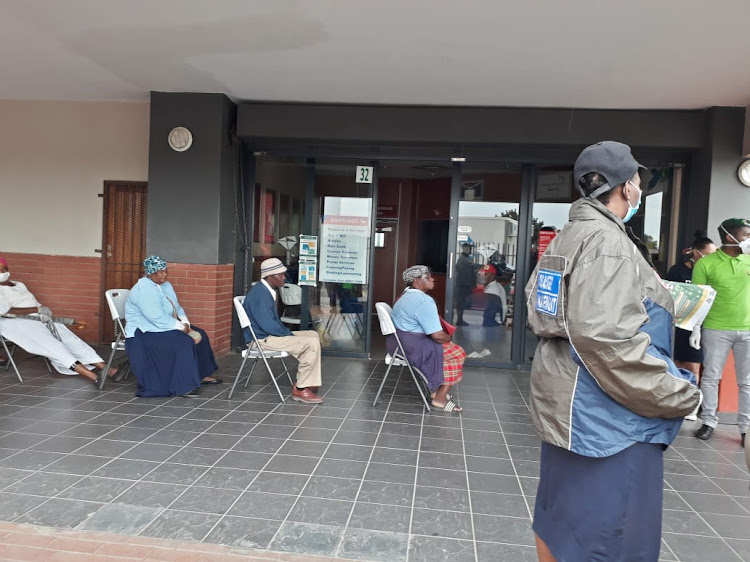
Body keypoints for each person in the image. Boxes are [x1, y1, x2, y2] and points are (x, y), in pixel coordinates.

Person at [525, 141, 700, 562]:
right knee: (609, 540)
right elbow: (607, 342)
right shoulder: (608, 243)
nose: (639, 188)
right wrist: (679, 391)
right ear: (626, 188)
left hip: (568, 405)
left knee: (558, 521)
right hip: (606, 421)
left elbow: (549, 311)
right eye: (638, 180)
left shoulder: (570, 235)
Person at [0, 257, 118, 385]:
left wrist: (40, 310)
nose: (3, 272)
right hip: (16, 322)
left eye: (4, 268)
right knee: (53, 345)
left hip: (38, 317)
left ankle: (107, 369)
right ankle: (92, 376)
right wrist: (38, 309)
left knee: (70, 339)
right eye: (0, 270)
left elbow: (33, 302)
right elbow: (5, 311)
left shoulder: (19, 285)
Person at [690, 218, 750, 447]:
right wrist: (696, 327)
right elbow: (698, 298)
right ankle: (709, 422)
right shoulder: (706, 264)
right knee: (711, 377)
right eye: (746, 235)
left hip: (748, 329)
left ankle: (745, 428)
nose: (749, 240)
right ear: (729, 237)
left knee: (747, 382)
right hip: (716, 328)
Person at [125, 255, 220, 398]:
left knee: (201, 333)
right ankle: (184, 386)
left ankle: (202, 374)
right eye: (160, 272)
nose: (164, 274)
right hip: (144, 332)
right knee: (183, 342)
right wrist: (180, 327)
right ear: (150, 273)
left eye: (165, 271)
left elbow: (177, 307)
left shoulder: (166, 285)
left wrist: (185, 322)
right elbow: (155, 317)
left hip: (163, 325)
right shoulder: (143, 289)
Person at [243, 258, 323, 404]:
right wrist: (288, 334)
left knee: (312, 335)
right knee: (310, 343)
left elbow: (271, 324)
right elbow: (268, 326)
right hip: (262, 339)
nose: (284, 277)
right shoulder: (260, 295)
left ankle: (308, 380)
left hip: (269, 335)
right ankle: (300, 389)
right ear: (269, 276)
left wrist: (287, 333)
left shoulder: (266, 290)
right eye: (280, 275)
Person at [390, 265, 466, 412]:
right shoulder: (424, 301)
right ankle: (439, 398)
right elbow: (437, 336)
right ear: (415, 280)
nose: (432, 279)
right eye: (427, 277)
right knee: (457, 353)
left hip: (400, 343)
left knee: (447, 350)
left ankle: (435, 390)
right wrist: (448, 338)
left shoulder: (405, 296)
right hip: (413, 346)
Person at [665, 233, 717, 387]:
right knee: (675, 364)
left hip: (698, 326)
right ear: (696, 253)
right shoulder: (678, 271)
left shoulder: (711, 271)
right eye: (708, 255)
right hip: (678, 324)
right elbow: (668, 294)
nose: (710, 259)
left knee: (694, 366)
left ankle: (692, 401)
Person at [454, 243, 478, 326]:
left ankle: (460, 319)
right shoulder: (463, 260)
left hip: (464, 284)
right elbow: (468, 271)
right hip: (463, 285)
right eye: (469, 248)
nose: (470, 250)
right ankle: (459, 320)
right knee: (461, 302)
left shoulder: (465, 259)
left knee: (462, 302)